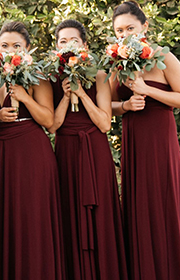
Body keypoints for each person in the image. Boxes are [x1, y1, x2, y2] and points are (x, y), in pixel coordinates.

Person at [110, 0, 180, 279]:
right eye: (119, 31)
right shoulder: (117, 64)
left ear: (144, 27)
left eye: (130, 28)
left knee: (162, 202)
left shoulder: (164, 57)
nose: (124, 35)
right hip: (133, 139)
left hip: (160, 139)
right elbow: (107, 105)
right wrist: (124, 107)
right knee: (137, 205)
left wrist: (147, 89)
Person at [49, 19, 127, 280]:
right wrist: (64, 95)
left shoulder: (100, 75)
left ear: (84, 46)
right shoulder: (52, 79)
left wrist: (82, 94)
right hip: (66, 151)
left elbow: (105, 124)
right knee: (68, 214)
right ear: (56, 47)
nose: (68, 46)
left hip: (94, 151)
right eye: (63, 41)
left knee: (101, 216)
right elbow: (53, 126)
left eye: (74, 41)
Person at [0, 20, 64, 280]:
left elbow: (47, 120)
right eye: (4, 45)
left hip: (33, 151)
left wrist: (24, 97)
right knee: (13, 219)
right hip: (7, 152)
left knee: (34, 218)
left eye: (17, 45)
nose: (10, 50)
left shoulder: (37, 75)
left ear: (28, 48)